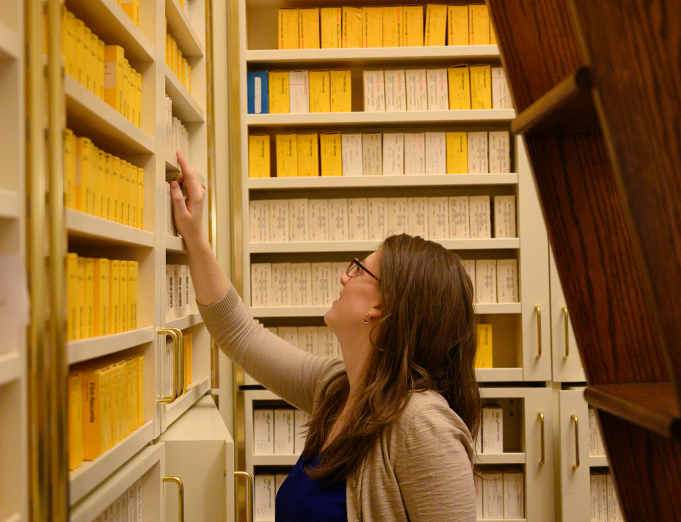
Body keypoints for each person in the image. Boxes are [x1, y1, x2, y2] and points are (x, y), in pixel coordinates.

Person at [170, 151, 480, 522]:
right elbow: (239, 334)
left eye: (360, 271)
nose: (344, 277)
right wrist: (194, 235)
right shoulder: (340, 389)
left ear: (382, 308)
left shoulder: (421, 424)